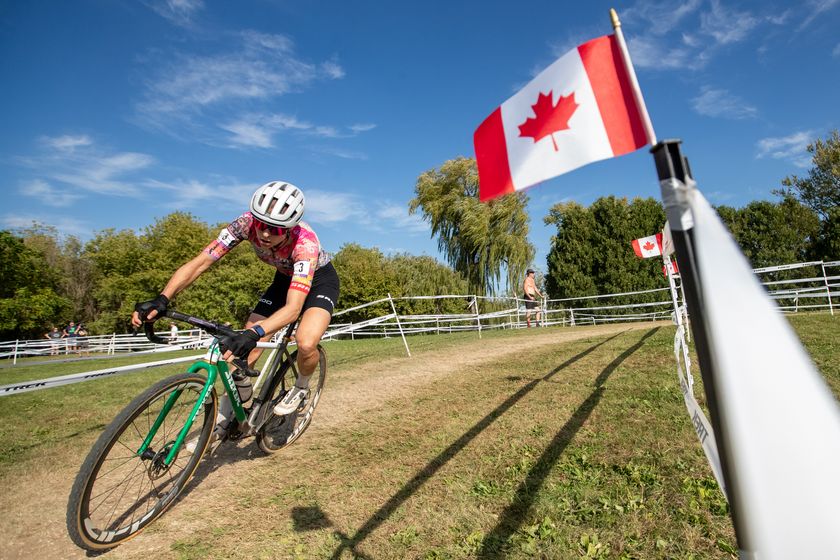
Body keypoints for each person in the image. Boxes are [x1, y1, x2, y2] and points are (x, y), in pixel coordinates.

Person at [131, 181, 340, 437]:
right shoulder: (245, 224)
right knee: (246, 342)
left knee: (306, 342)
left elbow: (293, 308)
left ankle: (301, 386)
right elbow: (201, 262)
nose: (264, 234)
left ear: (289, 228)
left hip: (319, 281)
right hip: (284, 279)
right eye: (262, 225)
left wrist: (254, 334)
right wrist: (162, 298)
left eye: (274, 230)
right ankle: (235, 406)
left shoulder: (304, 244)